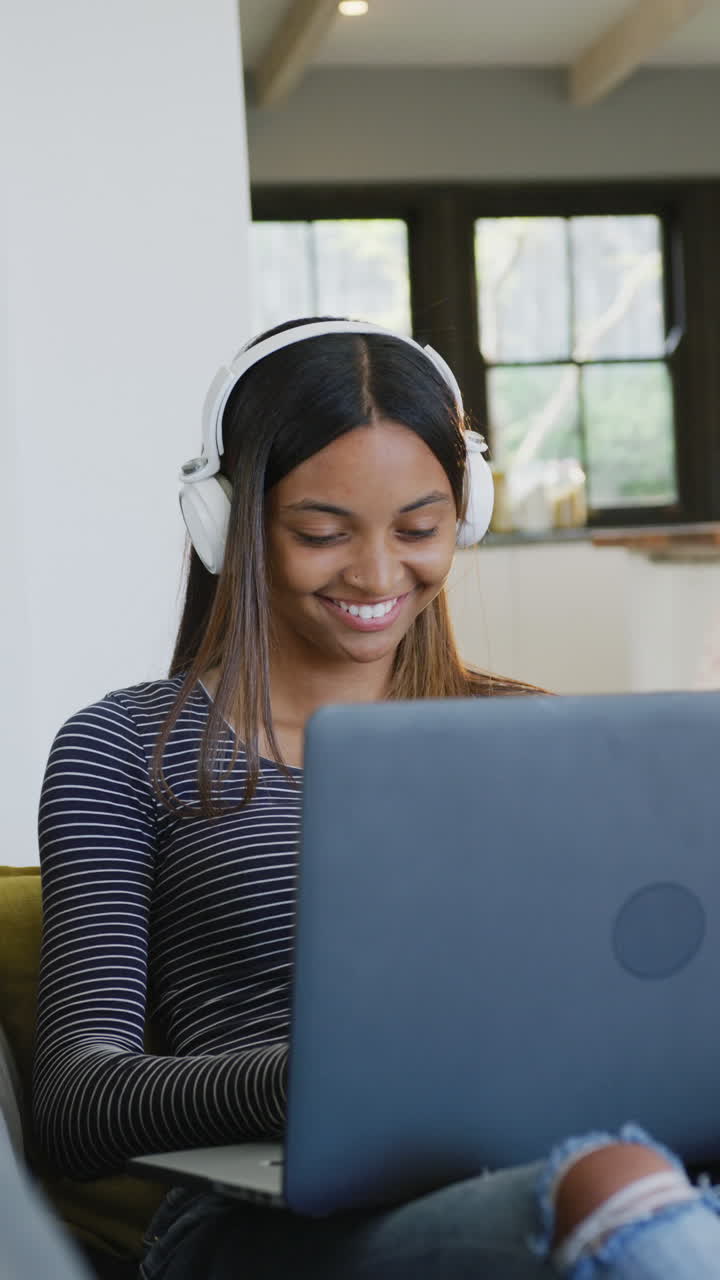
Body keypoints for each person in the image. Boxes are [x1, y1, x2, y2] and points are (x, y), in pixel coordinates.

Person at [32, 318, 720, 1280]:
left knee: (627, 1175)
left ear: (466, 513)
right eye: (321, 533)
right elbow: (74, 1102)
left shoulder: (538, 740)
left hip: (542, 1174)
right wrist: (331, 1081)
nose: (376, 574)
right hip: (264, 1227)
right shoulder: (120, 749)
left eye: (420, 529)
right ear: (227, 522)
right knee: (612, 1182)